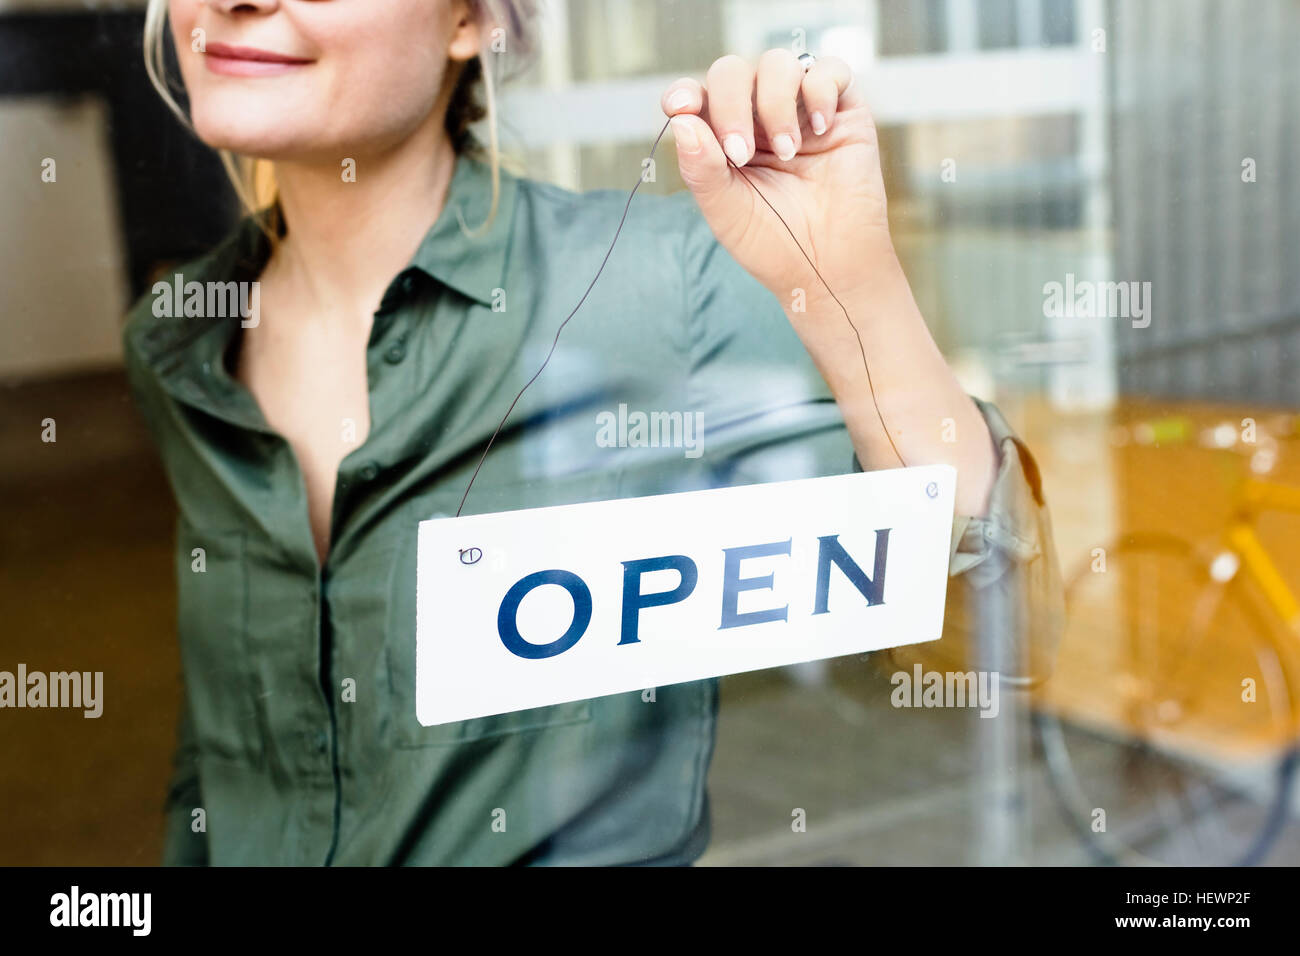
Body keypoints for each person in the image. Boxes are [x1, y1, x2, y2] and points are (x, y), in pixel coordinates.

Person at [123, 0, 1062, 865]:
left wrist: (857, 295)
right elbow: (226, 758)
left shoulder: (662, 291)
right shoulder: (182, 343)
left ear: (467, 18)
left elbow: (992, 642)